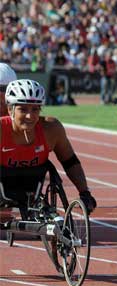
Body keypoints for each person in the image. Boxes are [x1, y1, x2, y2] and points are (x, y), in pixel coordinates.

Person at [0, 79, 97, 222]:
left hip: (32, 187)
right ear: (10, 110)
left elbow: (70, 161)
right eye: (23, 109)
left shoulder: (51, 129)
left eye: (35, 109)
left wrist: (85, 193)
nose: (30, 116)